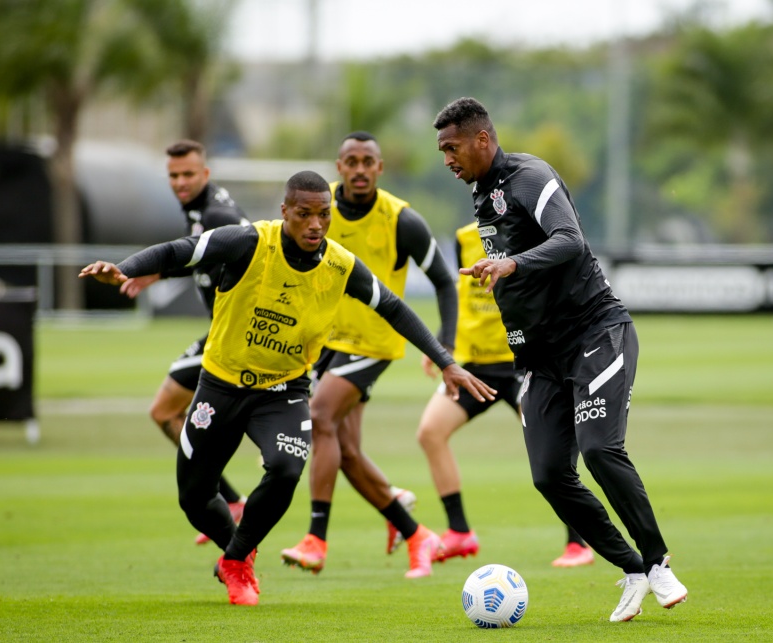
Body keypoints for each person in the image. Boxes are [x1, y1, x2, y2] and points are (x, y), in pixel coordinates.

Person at [79, 170, 496, 606]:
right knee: (195, 498)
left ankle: (237, 561)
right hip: (220, 384)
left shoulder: (339, 264)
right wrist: (125, 268)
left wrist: (447, 361)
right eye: (304, 214)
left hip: (283, 390)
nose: (315, 224)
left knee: (285, 468)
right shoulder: (249, 242)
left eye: (323, 215)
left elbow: (393, 307)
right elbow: (183, 250)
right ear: (285, 213)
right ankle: (237, 550)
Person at [432, 97, 687, 622]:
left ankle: (658, 561)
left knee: (600, 450)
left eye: (451, 147)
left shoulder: (530, 176)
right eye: (441, 151)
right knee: (548, 474)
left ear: (482, 139)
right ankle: (632, 568)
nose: (447, 160)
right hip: (538, 357)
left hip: (595, 333)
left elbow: (571, 241)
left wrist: (511, 264)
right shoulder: (482, 193)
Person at [281, 132, 459, 577]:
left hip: (372, 343)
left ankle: (316, 540)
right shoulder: (319, 213)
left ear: (380, 168)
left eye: (368, 161)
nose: (360, 169)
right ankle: (415, 531)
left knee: (319, 419)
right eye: (351, 161)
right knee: (346, 451)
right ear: (339, 167)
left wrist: (446, 344)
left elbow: (444, 279)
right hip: (324, 344)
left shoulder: (402, 220)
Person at [418, 221, 594, 568]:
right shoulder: (463, 236)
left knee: (552, 449)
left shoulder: (530, 235)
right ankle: (459, 531)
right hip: (477, 364)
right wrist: (443, 341)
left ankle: (578, 542)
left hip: (524, 363)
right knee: (430, 432)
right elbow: (456, 291)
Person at [118, 140, 249, 535]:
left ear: (205, 174)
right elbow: (199, 253)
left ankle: (232, 503)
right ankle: (233, 501)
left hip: (234, 336)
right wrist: (160, 273)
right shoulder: (201, 210)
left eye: (188, 174)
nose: (180, 181)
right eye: (173, 175)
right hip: (223, 332)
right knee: (174, 413)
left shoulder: (217, 213)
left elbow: (240, 251)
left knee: (165, 411)